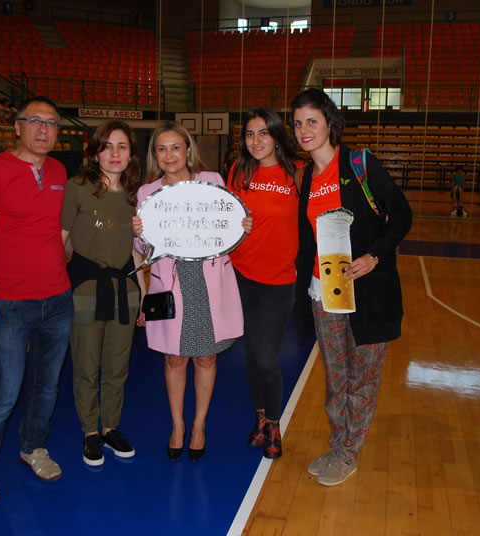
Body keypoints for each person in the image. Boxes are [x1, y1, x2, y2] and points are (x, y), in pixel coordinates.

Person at [291, 88, 412, 487]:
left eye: (312, 121)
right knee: (336, 377)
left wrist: (375, 255)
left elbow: (402, 214)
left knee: (363, 378)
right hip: (324, 291)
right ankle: (338, 444)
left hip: (369, 291)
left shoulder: (359, 164)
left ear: (329, 122)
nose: (304, 130)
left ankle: (349, 453)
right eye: (298, 123)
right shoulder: (305, 176)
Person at [0, 96, 73, 506]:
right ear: (17, 127)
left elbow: (60, 235)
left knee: (47, 386)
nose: (43, 129)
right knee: (4, 392)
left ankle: (33, 447)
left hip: (57, 300)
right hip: (10, 303)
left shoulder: (59, 171)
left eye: (51, 123)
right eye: (35, 121)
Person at [132, 121, 247, 462]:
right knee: (175, 357)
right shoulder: (146, 193)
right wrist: (138, 234)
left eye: (175, 147)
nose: (169, 155)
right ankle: (178, 425)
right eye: (161, 149)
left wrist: (243, 225)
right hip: (171, 282)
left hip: (208, 280)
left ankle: (199, 425)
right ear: (155, 155)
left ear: (187, 150)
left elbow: (228, 227)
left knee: (206, 357)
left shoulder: (211, 182)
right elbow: (143, 249)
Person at [61, 120, 140, 467]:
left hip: (125, 291)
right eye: (107, 146)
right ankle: (89, 432)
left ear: (131, 154)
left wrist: (142, 293)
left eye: (122, 146)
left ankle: (110, 428)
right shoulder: (77, 188)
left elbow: (136, 250)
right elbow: (61, 241)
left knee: (118, 365)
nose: (114, 153)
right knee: (86, 364)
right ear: (94, 153)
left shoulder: (137, 195)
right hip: (86, 289)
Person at [227, 108, 300, 459]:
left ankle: (273, 423)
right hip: (240, 275)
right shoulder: (238, 171)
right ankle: (260, 418)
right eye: (249, 134)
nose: (255, 141)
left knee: (268, 359)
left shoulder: (297, 174)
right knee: (252, 354)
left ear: (276, 136)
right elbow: (225, 218)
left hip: (279, 280)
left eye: (263, 133)